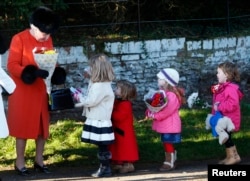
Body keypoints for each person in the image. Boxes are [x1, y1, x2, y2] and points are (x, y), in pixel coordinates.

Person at [6, 6, 62, 176]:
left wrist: (56, 71)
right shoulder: (19, 38)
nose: (46, 36)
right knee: (23, 128)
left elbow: (51, 59)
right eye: (43, 33)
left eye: (48, 33)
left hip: (40, 90)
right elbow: (12, 65)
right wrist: (30, 72)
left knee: (42, 128)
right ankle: (20, 162)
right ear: (33, 26)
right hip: (23, 91)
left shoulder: (47, 39)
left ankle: (39, 160)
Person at [77, 53, 115, 178]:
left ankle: (105, 168)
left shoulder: (100, 85)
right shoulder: (100, 83)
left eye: (91, 67)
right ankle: (104, 167)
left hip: (100, 120)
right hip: (98, 118)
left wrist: (78, 98)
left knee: (102, 146)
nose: (89, 69)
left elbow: (91, 101)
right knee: (101, 146)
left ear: (97, 69)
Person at [145, 68, 186, 171]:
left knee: (167, 142)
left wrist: (155, 116)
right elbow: (156, 105)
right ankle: (172, 158)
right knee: (166, 141)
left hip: (169, 124)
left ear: (167, 81)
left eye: (160, 79)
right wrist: (150, 111)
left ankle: (169, 162)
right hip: (165, 124)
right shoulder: (163, 94)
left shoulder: (171, 96)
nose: (158, 80)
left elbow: (167, 111)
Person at [209, 61, 243, 165]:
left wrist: (219, 107)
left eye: (219, 72)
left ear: (226, 75)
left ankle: (234, 157)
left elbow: (233, 104)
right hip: (223, 118)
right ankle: (230, 156)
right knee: (226, 138)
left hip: (229, 119)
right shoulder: (223, 88)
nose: (217, 74)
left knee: (227, 138)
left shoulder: (230, 89)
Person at [108, 79, 139, 174]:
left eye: (118, 88)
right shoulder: (119, 102)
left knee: (125, 148)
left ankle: (128, 164)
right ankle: (119, 162)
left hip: (124, 132)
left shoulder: (126, 104)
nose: (115, 89)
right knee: (118, 147)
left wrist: (110, 109)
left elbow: (118, 117)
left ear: (124, 92)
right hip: (119, 130)